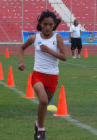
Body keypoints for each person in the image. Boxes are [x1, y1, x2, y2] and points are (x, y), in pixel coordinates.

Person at [18, 10, 67, 140]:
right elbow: (22, 48)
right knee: (44, 100)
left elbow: (64, 57)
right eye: (45, 24)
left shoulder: (57, 38)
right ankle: (41, 130)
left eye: (50, 25)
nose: (47, 27)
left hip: (52, 76)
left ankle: (38, 124)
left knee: (44, 104)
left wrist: (49, 51)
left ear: (54, 25)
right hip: (38, 74)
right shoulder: (34, 38)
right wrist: (21, 62)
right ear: (40, 24)